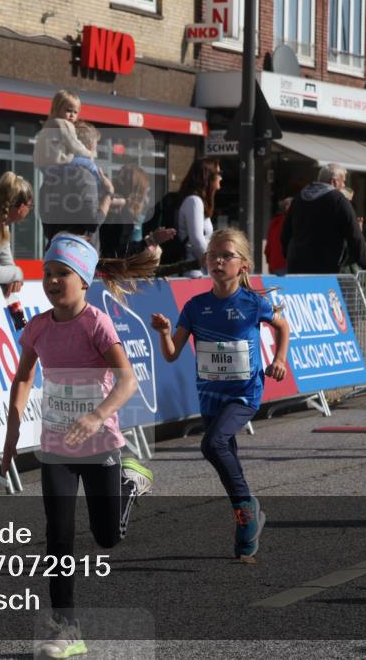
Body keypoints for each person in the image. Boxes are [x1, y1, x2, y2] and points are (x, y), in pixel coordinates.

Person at [0, 234, 158, 658]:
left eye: (62, 274)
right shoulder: (37, 327)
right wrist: (13, 431)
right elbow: (23, 377)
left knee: (107, 537)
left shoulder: (95, 324)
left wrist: (94, 416)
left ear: (84, 279)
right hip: (57, 447)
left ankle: (128, 485)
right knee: (59, 534)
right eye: (48, 273)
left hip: (100, 443)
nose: (52, 280)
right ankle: (66, 629)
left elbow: (127, 380)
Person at [150, 228, 290, 561]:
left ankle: (245, 510)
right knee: (228, 458)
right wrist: (166, 333)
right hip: (210, 394)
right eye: (213, 254)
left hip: (245, 392)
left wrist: (279, 359)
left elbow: (282, 326)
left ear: (243, 265)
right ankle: (247, 537)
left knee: (212, 444)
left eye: (226, 255)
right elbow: (171, 354)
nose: (217, 260)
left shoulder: (254, 303)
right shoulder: (196, 306)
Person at [280, 164, 366, 278]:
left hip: (297, 267)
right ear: (333, 182)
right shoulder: (338, 199)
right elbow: (355, 236)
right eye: (343, 182)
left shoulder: (299, 198)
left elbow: (285, 233)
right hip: (325, 269)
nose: (344, 185)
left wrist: (288, 255)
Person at [98, 164, 175, 259]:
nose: (146, 197)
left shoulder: (106, 204)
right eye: (145, 191)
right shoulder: (123, 214)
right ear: (138, 192)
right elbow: (120, 252)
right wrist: (151, 240)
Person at [176, 158, 220, 278]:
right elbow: (197, 240)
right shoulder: (194, 201)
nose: (221, 178)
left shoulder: (199, 202)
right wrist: (215, 266)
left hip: (201, 270)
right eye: (218, 174)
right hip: (194, 273)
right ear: (208, 177)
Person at [34, 89, 96, 170]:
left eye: (75, 112)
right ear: (57, 108)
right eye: (68, 110)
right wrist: (89, 153)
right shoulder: (64, 124)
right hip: (57, 162)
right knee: (89, 163)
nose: (72, 115)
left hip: (42, 164)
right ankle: (99, 181)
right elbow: (75, 146)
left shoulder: (48, 124)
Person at [264, 197, 291, 275]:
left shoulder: (274, 222)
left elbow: (268, 248)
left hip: (275, 264)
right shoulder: (290, 222)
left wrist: (270, 262)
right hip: (286, 264)